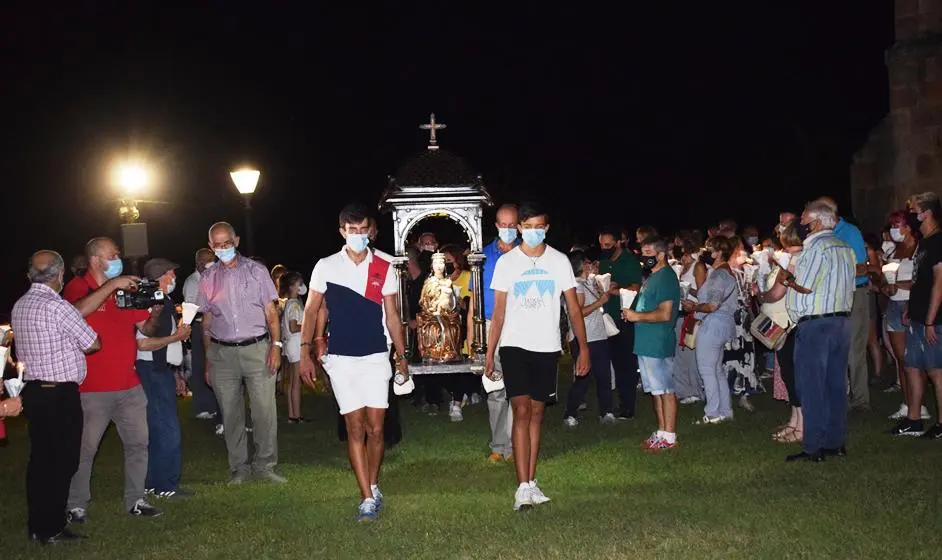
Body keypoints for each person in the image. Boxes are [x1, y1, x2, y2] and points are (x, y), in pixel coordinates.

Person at [298, 203, 409, 522]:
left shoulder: (384, 265)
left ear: (370, 231)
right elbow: (310, 310)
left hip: (376, 357)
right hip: (341, 360)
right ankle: (365, 498)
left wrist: (401, 357)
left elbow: (393, 316)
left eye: (364, 231)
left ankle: (373, 485)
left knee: (377, 430)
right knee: (354, 427)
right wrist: (306, 352)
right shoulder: (326, 266)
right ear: (342, 232)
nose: (359, 236)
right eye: (353, 231)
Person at [485, 201, 590, 511]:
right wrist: (489, 354)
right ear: (519, 229)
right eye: (526, 227)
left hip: (546, 346)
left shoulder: (559, 261)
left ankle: (531, 482)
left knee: (537, 414)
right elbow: (499, 312)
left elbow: (573, 307)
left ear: (547, 228)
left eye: (538, 227)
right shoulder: (507, 263)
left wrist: (583, 348)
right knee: (520, 411)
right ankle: (521, 487)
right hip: (514, 345)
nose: (532, 232)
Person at [63, 237, 164, 521]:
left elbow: (145, 327)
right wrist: (111, 286)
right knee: (85, 449)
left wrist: (154, 309)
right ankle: (76, 503)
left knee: (138, 444)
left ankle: (136, 499)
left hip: (129, 385)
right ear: (97, 260)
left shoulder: (121, 291)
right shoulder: (78, 287)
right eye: (113, 254)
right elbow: (76, 312)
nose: (119, 258)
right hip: (92, 387)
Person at [12, 251, 100, 544]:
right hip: (59, 394)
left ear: (30, 275)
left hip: (34, 392)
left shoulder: (20, 305)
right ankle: (52, 526)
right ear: (60, 275)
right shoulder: (58, 307)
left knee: (40, 461)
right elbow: (92, 343)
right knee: (63, 462)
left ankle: (37, 525)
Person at [197, 222, 286, 485]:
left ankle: (265, 465)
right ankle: (239, 467)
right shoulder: (208, 278)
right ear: (211, 246)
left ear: (236, 240)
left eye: (227, 243)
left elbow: (271, 314)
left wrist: (276, 347)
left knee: (264, 411)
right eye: (217, 244)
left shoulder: (257, 272)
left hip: (258, 348)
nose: (223, 248)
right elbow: (207, 322)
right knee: (231, 413)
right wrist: (208, 360)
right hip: (222, 354)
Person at [781, 201, 856, 461]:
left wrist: (787, 278)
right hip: (841, 321)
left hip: (816, 324)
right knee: (835, 384)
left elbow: (805, 286)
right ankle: (835, 442)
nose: (800, 224)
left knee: (811, 386)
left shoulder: (816, 247)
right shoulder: (844, 247)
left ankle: (812, 447)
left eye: (803, 219)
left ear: (814, 222)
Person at [135, 258, 193, 499]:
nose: (173, 279)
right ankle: (166, 485)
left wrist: (176, 372)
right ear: (159, 278)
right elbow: (144, 343)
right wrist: (177, 336)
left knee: (157, 429)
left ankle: (151, 481)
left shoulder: (163, 300)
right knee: (167, 430)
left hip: (160, 370)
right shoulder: (148, 302)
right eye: (170, 275)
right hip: (152, 371)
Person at [467, 203, 519, 461]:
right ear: (496, 225)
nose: (508, 229)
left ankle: (514, 445)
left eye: (513, 225)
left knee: (518, 388)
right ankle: (499, 446)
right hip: (490, 327)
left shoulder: (527, 254)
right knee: (496, 388)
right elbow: (472, 305)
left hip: (520, 327)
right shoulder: (482, 258)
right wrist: (472, 339)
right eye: (503, 225)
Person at [623, 237, 681, 452]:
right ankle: (662, 432)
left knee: (665, 389)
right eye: (643, 251)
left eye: (648, 252)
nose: (644, 256)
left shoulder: (666, 277)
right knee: (655, 390)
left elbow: (665, 313)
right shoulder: (652, 276)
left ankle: (670, 435)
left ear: (661, 254)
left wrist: (636, 316)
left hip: (658, 342)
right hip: (646, 342)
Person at [892, 192, 942, 438]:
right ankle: (914, 419)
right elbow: (919, 281)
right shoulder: (924, 240)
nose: (911, 214)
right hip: (916, 315)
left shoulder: (938, 241)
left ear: (927, 212)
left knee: (936, 370)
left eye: (914, 210)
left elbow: (938, 284)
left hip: (933, 319)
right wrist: (911, 311)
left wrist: (931, 320)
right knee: (912, 365)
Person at [817, 196, 871, 411]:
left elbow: (862, 267)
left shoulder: (849, 232)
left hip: (854, 293)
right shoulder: (825, 235)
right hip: (835, 296)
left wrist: (834, 271)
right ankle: (840, 396)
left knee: (854, 350)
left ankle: (860, 399)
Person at [682, 236, 739, 424]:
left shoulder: (719, 275)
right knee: (716, 370)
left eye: (709, 248)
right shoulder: (723, 272)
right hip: (722, 324)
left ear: (719, 252)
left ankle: (712, 413)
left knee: (707, 369)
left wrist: (695, 307)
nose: (705, 252)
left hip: (713, 324)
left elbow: (713, 305)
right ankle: (724, 410)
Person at [882, 211, 929, 422]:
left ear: (909, 227)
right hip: (894, 305)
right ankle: (908, 403)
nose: (893, 229)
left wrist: (897, 285)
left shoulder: (920, 249)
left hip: (912, 305)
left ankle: (920, 406)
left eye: (897, 224)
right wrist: (885, 287)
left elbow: (923, 281)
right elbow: (885, 278)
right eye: (891, 224)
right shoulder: (894, 250)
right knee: (902, 360)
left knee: (915, 360)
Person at [561, 248, 615, 427]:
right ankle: (570, 414)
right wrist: (600, 302)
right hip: (584, 337)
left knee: (604, 376)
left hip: (598, 336)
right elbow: (579, 312)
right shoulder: (576, 286)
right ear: (583, 266)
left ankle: (607, 411)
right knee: (583, 378)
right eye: (588, 263)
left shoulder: (588, 283)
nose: (592, 266)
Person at [598, 227, 642, 419]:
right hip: (607, 318)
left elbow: (635, 287)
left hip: (625, 318)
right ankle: (618, 403)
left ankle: (628, 406)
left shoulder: (630, 261)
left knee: (626, 364)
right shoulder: (604, 262)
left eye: (607, 245)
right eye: (601, 244)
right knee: (613, 363)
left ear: (617, 243)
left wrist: (615, 290)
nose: (604, 247)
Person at [182, 248, 221, 425]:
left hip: (216, 325)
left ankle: (214, 405)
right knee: (200, 365)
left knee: (214, 363)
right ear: (198, 263)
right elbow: (191, 307)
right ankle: (202, 407)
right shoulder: (192, 281)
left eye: (212, 259)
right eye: (206, 261)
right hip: (198, 325)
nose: (210, 263)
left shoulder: (216, 277)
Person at [279, 271, 307, 423]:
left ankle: (292, 415)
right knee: (296, 381)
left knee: (291, 381)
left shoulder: (290, 303)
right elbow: (293, 327)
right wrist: (308, 326)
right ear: (292, 286)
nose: (302, 285)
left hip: (290, 345)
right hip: (295, 345)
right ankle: (297, 416)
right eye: (299, 283)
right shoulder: (295, 304)